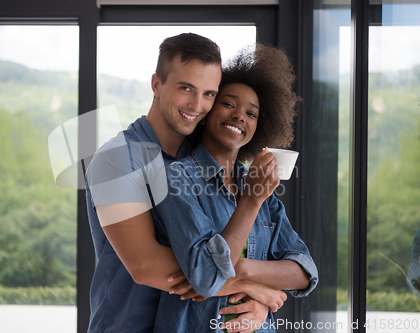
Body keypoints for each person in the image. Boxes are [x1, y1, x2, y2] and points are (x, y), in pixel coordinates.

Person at [86, 34, 316, 333]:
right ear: (156, 84)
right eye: (186, 88)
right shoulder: (118, 159)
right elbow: (147, 267)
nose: (197, 104)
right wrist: (255, 287)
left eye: (209, 94)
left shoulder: (203, 165)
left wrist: (253, 296)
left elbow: (293, 267)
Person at [150, 44, 318, 333]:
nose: (240, 116)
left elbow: (305, 272)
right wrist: (251, 201)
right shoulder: (176, 178)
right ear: (207, 109)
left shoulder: (262, 192)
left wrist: (244, 271)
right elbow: (205, 277)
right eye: (228, 104)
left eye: (251, 114)